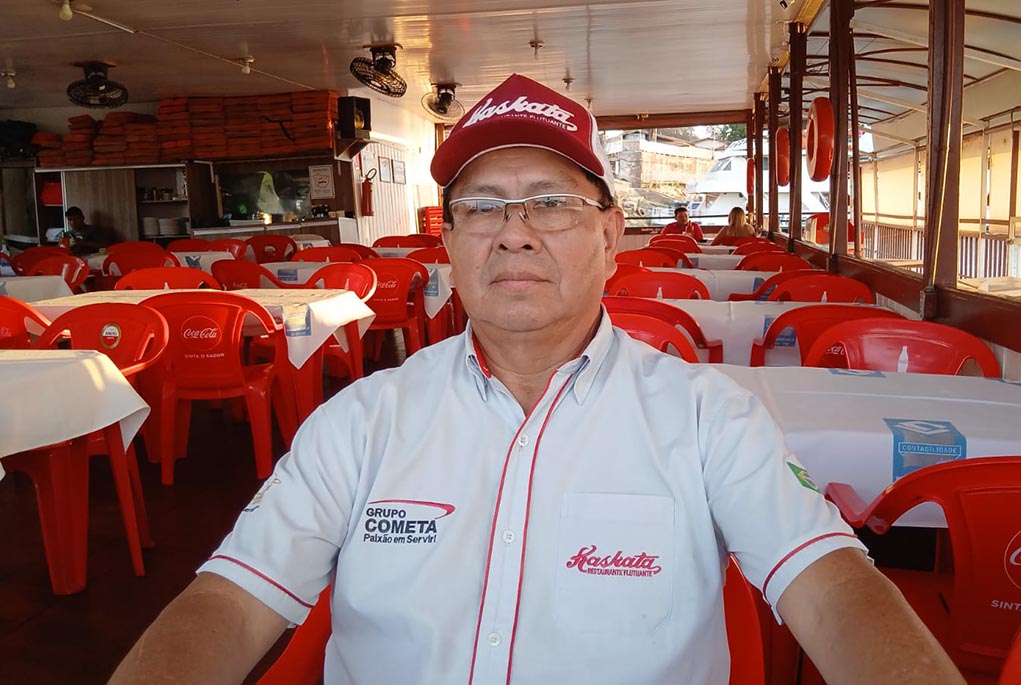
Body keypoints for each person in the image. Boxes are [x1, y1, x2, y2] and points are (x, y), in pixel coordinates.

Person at [110, 74, 963, 685]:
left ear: (611, 236)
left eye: (551, 202)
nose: (513, 232)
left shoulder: (710, 417)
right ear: (449, 244)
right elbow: (229, 602)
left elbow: (833, 588)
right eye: (482, 206)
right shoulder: (361, 420)